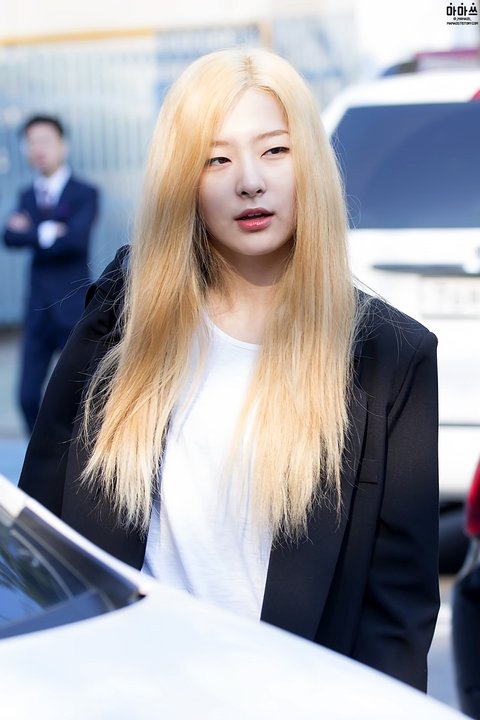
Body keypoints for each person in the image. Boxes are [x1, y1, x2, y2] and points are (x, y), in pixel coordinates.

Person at [18, 48, 439, 691]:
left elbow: (395, 622)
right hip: (121, 694)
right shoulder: (121, 323)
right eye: (216, 158)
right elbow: (40, 544)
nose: (249, 181)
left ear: (310, 161)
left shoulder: (390, 357)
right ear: (181, 179)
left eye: (275, 150)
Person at [2, 115, 98, 433]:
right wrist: (50, 232)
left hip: (73, 309)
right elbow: (9, 237)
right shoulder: (27, 195)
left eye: (45, 140)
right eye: (31, 142)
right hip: (37, 310)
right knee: (27, 396)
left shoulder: (84, 192)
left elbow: (75, 240)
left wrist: (32, 231)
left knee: (81, 395)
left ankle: (75, 457)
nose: (38, 148)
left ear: (63, 146)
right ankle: (43, 454)